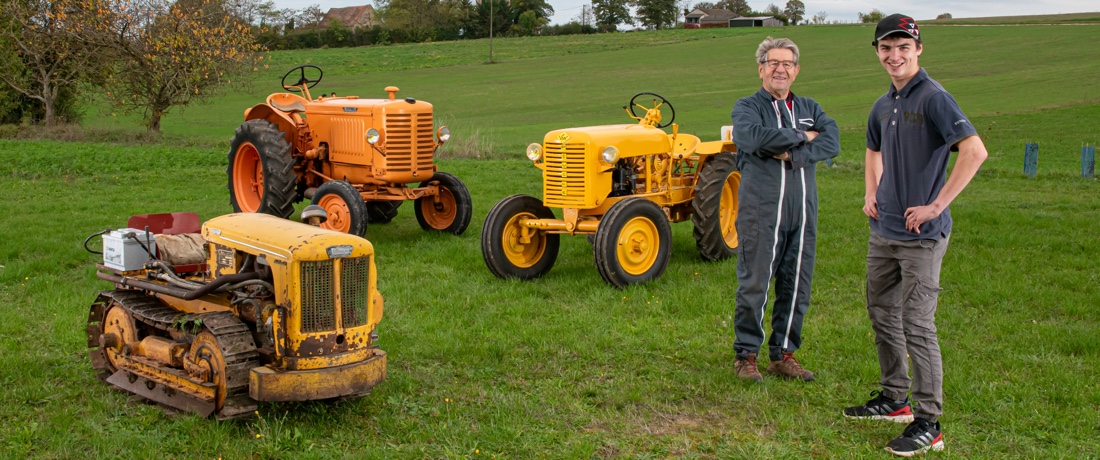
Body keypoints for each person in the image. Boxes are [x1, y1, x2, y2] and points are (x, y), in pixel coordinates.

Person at [842, 14, 988, 457]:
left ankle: (929, 422)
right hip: (883, 230)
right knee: (881, 313)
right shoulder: (882, 104)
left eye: (903, 47)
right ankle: (894, 399)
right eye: (886, 48)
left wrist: (936, 205)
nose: (894, 55)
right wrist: (871, 191)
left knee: (918, 325)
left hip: (921, 236)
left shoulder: (934, 97)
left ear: (918, 49)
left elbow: (975, 151)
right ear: (878, 53)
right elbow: (872, 150)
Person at [730, 37, 840, 383]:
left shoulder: (810, 106)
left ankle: (783, 354)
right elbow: (752, 138)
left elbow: (832, 139)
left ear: (796, 70)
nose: (780, 69)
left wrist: (794, 153)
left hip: (802, 211)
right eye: (773, 63)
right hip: (761, 210)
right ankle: (746, 354)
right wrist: (804, 136)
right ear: (761, 68)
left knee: (796, 284)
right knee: (755, 283)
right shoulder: (747, 107)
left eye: (787, 64)